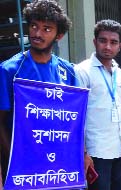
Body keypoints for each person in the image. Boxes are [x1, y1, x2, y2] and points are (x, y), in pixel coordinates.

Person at [0, 1, 76, 187]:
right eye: (34, 26)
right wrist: (14, 158)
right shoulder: (9, 70)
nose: (37, 33)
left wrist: (81, 154)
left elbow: (73, 122)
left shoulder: (68, 72)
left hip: (58, 167)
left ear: (59, 35)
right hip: (23, 169)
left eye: (46, 29)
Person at [75, 19, 121, 190]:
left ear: (120, 46)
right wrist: (84, 153)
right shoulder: (82, 71)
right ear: (95, 42)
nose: (108, 46)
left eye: (113, 42)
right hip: (96, 151)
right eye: (103, 41)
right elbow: (76, 117)